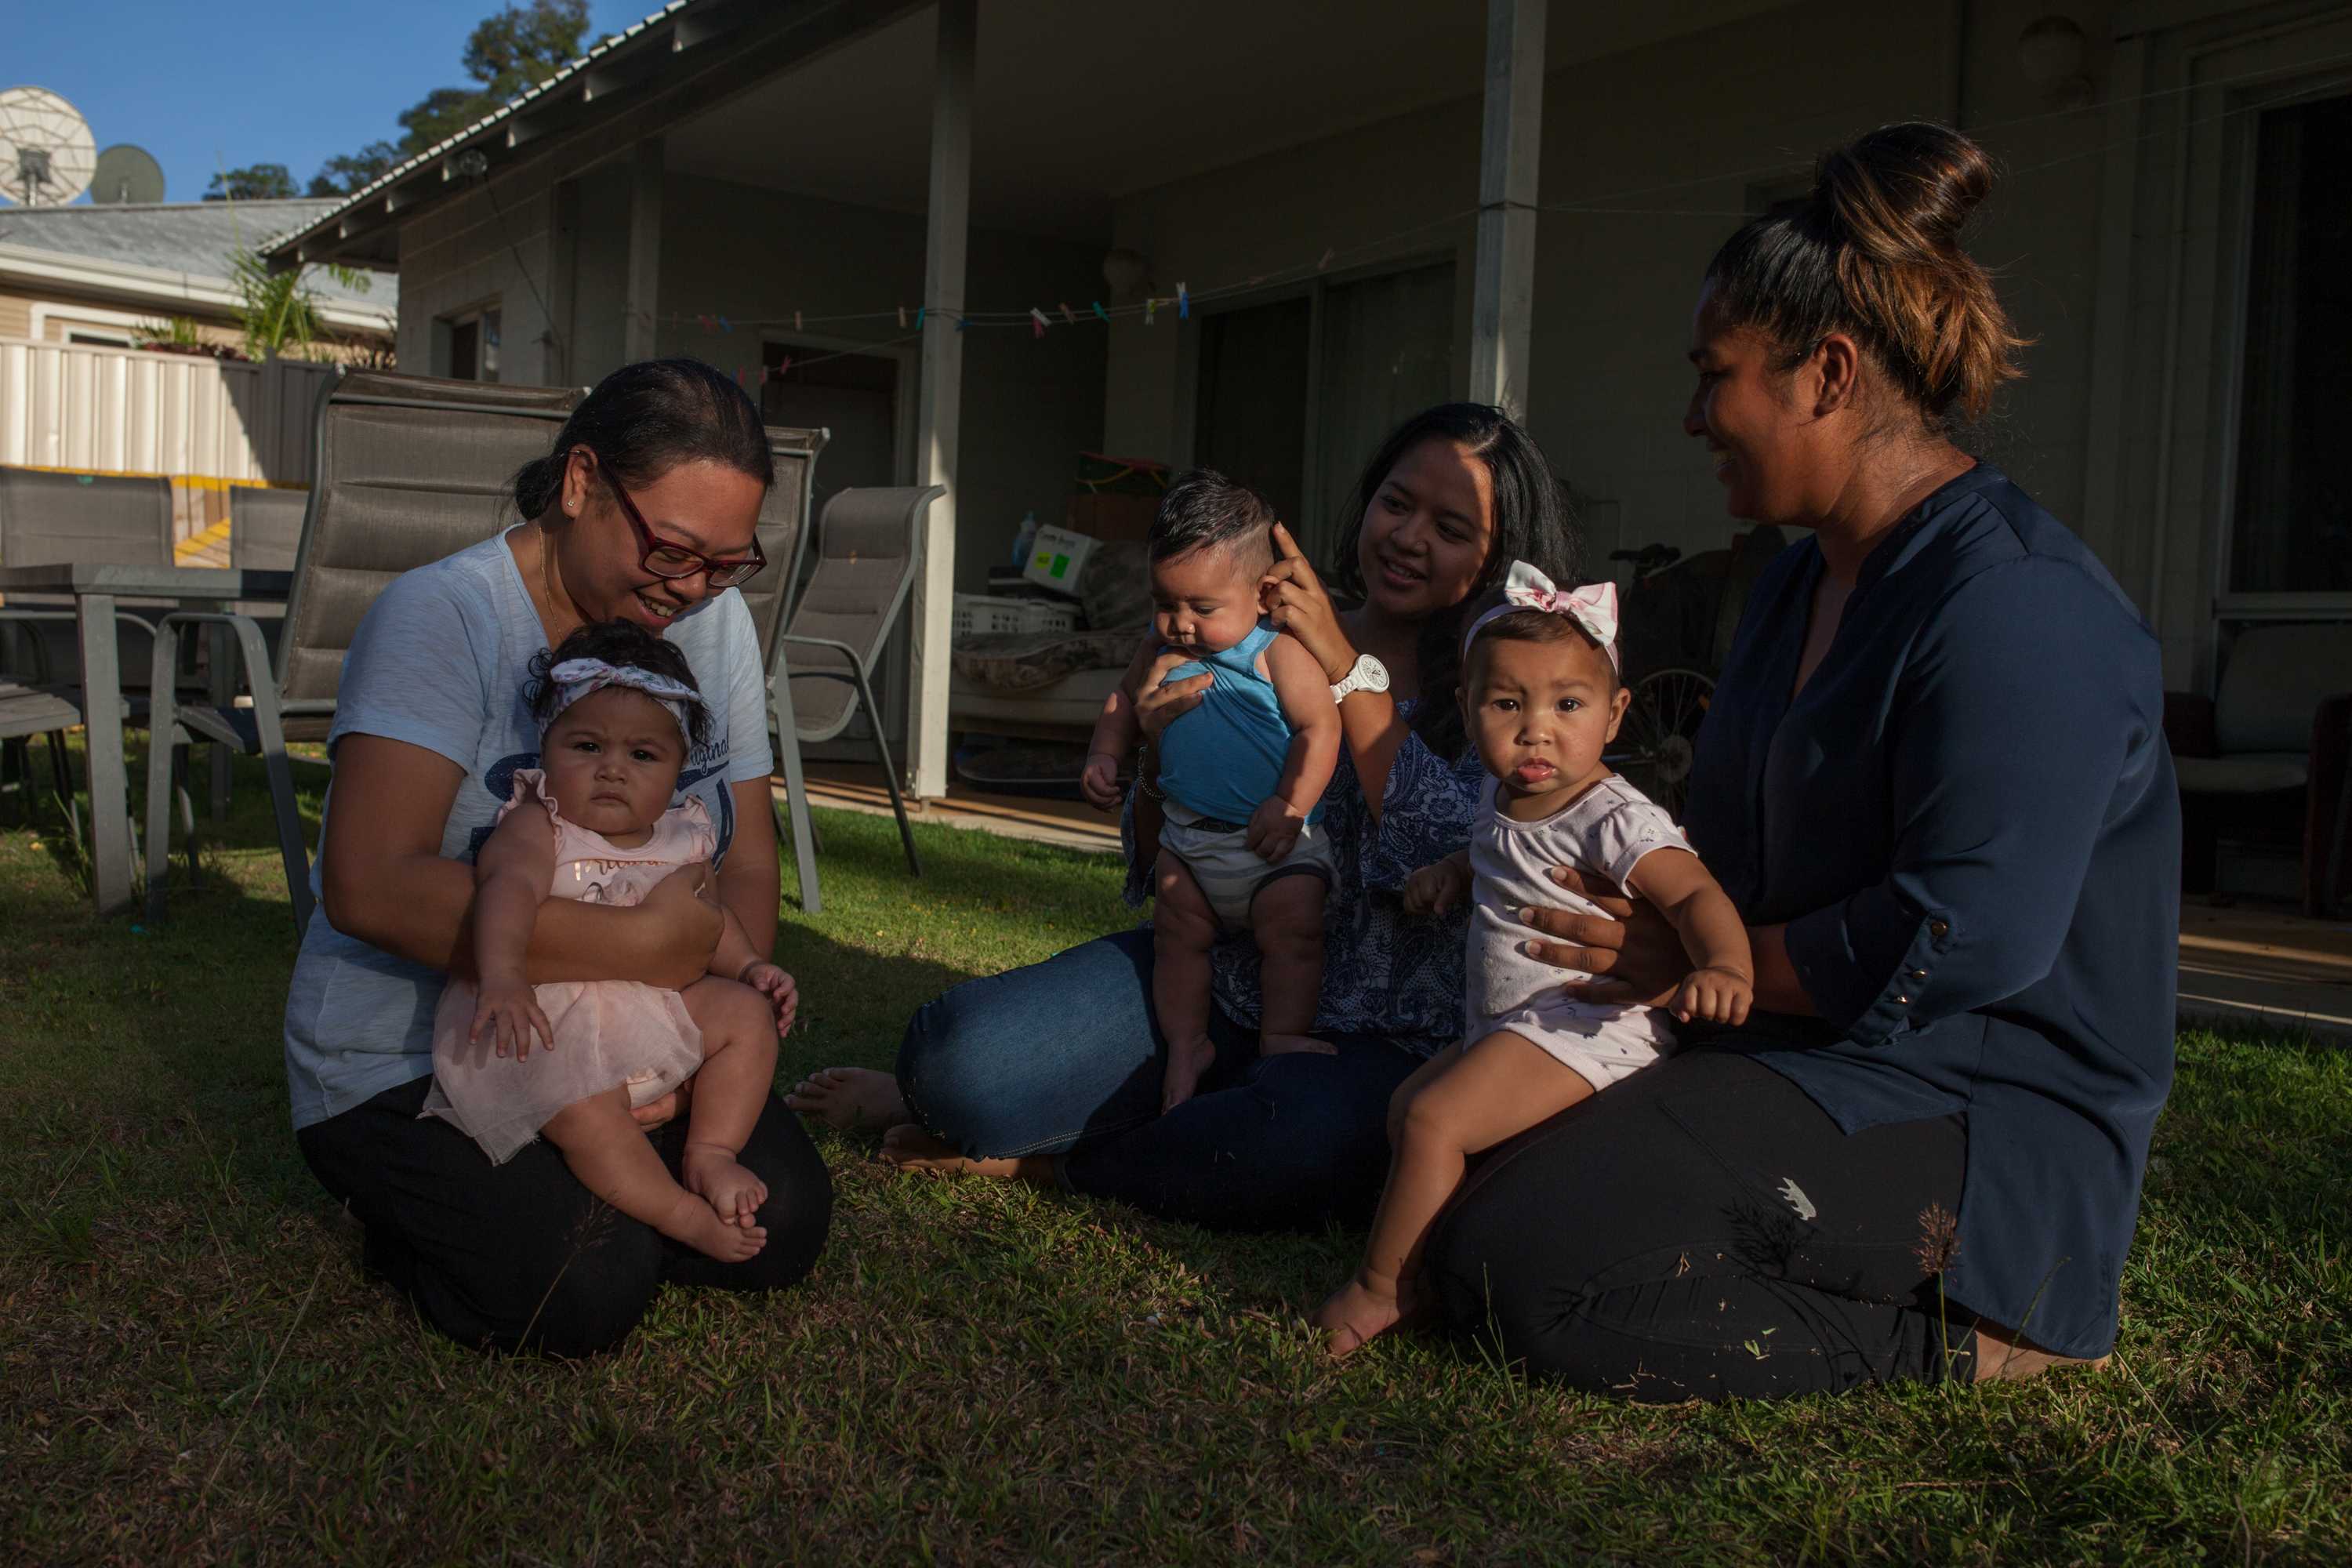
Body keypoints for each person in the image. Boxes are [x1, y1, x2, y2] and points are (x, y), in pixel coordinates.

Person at [1423, 122, 2180, 1398]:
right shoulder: (1787, 591)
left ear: (1826, 374)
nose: (1691, 414)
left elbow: (1966, 935)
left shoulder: (2018, 609)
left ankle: (1994, 1336)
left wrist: (1704, 961)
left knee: (1525, 1265)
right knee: (1457, 1166)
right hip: (1790, 1050)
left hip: (1973, 1115)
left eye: (1714, 375)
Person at [789, 405, 1579, 1231]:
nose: (1409, 536)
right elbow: (1153, 852)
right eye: (1396, 502)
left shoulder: (1512, 692)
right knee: (956, 1062)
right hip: (1218, 984)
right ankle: (1053, 1106)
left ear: (1499, 557)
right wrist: (1152, 761)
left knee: (1301, 1137)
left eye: (1450, 527)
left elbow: (1461, 859)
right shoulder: (1246, 629)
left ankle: (1053, 1160)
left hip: (1375, 1042)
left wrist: (1347, 671)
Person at [285, 358, 833, 1356]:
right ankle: (416, 1222)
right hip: (422, 1049)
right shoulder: (445, 615)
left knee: (786, 1221)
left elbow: (745, 853)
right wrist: (645, 949)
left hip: (637, 1029)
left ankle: (603, 1182)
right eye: (672, 549)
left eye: (726, 563)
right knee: (583, 1284)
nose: (693, 589)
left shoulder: (711, 625)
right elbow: (368, 884)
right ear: (580, 483)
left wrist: (718, 1000)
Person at [1312, 565, 1753, 1356]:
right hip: (1518, 1021)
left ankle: (1383, 1290)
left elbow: (1693, 894)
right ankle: (1438, 1255)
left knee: (1433, 1118)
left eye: (1568, 705)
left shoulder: (1614, 815)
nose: (1536, 730)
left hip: (1591, 1027)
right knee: (1406, 1104)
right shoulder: (1500, 792)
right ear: (1468, 708)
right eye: (1508, 703)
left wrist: (1723, 965)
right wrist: (1448, 873)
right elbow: (1495, 855)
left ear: (1616, 715)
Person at [426, 619, 800, 1263]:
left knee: (746, 1016)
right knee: (584, 1110)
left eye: (642, 755)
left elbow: (711, 918)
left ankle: (711, 1151)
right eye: (588, 746)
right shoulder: (539, 826)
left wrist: (748, 968)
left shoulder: (683, 836)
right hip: (548, 1019)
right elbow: (506, 893)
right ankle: (678, 1212)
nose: (612, 771)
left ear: (679, 768)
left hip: (654, 1010)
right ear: (546, 748)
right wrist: (505, 974)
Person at [1080, 470, 1341, 1109]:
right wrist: (1107, 752)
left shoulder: (1278, 652)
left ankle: (1281, 1035)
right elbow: (1122, 701)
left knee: (1294, 931)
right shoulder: (1156, 647)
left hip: (1274, 845)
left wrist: (1291, 804)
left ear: (1261, 594)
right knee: (1176, 933)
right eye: (1165, 603)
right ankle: (1186, 1041)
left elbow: (1319, 726)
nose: (1180, 624)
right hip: (1190, 840)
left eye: (1202, 608)